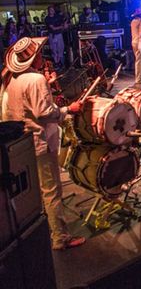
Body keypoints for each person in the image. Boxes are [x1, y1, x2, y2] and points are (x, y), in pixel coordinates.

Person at [1, 36, 85, 250]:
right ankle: (60, 237)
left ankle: (40, 232)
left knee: (34, 192)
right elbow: (45, 112)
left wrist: (46, 86)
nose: (42, 56)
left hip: (20, 147)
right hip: (40, 143)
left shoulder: (9, 79)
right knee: (51, 191)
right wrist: (69, 110)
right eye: (39, 54)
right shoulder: (35, 79)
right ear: (34, 59)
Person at [130, 8, 141, 87]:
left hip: (134, 42)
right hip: (139, 42)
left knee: (138, 60)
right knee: (139, 61)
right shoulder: (140, 21)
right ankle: (138, 79)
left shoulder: (133, 21)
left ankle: (140, 78)